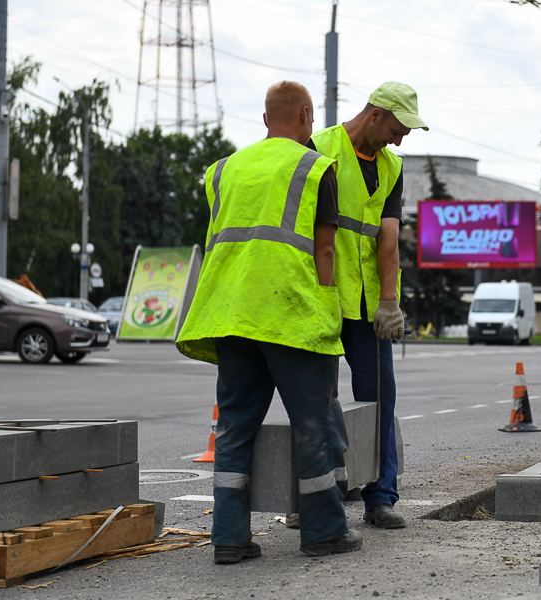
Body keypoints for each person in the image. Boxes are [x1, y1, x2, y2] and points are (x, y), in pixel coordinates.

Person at [176, 81, 361, 564]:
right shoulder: (316, 167)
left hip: (231, 316)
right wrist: (331, 313)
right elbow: (323, 251)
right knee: (313, 425)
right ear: (305, 114)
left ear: (264, 120)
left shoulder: (222, 171)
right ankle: (322, 532)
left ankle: (229, 539)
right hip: (291, 316)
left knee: (234, 429)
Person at [310, 82, 428, 529]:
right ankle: (323, 494)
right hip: (322, 296)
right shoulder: (319, 148)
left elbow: (389, 238)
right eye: (399, 128)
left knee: (380, 398)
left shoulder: (392, 166)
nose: (402, 139)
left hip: (367, 305)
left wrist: (389, 302)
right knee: (318, 400)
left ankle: (381, 497)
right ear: (375, 114)